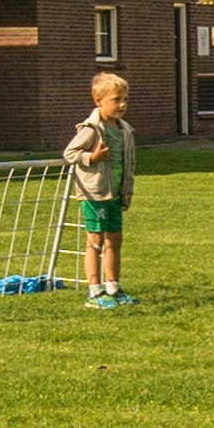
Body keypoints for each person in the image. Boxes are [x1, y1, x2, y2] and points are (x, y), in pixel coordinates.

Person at [62, 73, 139, 309]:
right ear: (99, 101)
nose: (123, 105)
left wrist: (128, 189)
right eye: (116, 100)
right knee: (95, 241)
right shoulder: (92, 129)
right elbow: (70, 153)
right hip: (94, 195)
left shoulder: (125, 130)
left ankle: (113, 287)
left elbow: (130, 163)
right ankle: (94, 292)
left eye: (125, 99)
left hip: (114, 194)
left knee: (115, 240)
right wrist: (93, 157)